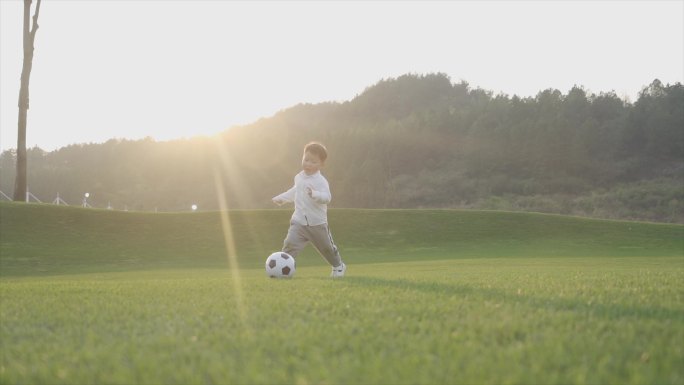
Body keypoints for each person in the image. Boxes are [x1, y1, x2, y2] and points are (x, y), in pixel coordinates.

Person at [272, 142, 346, 278]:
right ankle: (281, 270)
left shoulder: (321, 181)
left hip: (317, 224)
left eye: (313, 162)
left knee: (327, 249)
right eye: (306, 160)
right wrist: (281, 198)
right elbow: (295, 191)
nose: (308, 164)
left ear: (321, 165)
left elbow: (327, 197)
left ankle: (338, 265)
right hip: (299, 222)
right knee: (290, 245)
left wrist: (315, 194)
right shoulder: (299, 177)